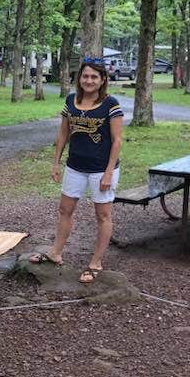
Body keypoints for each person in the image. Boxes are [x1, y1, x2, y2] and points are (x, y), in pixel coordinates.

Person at [30, 56, 124, 283]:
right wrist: (56, 162)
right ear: (79, 78)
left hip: (101, 169)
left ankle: (96, 263)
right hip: (75, 166)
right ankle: (55, 253)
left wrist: (108, 173)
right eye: (85, 76)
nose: (89, 80)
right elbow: (64, 133)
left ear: (103, 80)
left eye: (94, 77)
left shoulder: (111, 104)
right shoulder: (71, 100)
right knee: (65, 210)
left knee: (102, 215)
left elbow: (117, 140)